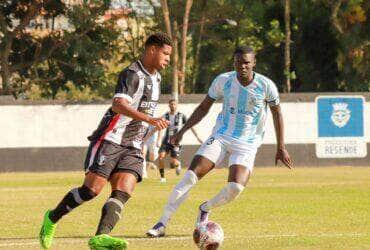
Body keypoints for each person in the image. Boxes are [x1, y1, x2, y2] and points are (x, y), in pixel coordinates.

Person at [39, 32, 172, 250]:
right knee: (91, 191)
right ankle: (51, 218)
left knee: (124, 189)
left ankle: (100, 238)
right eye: (165, 54)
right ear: (152, 49)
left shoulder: (157, 78)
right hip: (111, 139)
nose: (168, 59)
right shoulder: (132, 74)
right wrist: (149, 119)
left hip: (133, 145)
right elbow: (118, 105)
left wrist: (147, 130)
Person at [147, 45, 293, 238]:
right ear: (234, 62)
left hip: (247, 143)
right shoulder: (224, 81)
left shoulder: (266, 86)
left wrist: (280, 146)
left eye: (246, 63)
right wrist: (182, 131)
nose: (242, 67)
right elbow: (203, 108)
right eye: (238, 62)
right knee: (190, 176)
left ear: (254, 63)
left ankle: (205, 208)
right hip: (221, 137)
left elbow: (277, 114)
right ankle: (162, 223)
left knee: (235, 188)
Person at [157, 99, 203, 183]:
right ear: (168, 105)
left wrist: (197, 137)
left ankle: (177, 165)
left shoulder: (181, 116)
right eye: (171, 104)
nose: (172, 106)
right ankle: (162, 178)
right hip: (166, 141)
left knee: (173, 162)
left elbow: (190, 125)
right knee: (161, 157)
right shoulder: (165, 116)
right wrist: (159, 139)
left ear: (177, 105)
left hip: (176, 142)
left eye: (174, 104)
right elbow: (160, 127)